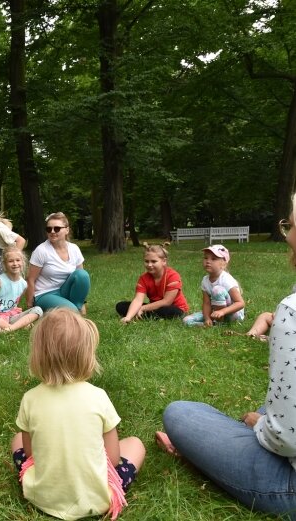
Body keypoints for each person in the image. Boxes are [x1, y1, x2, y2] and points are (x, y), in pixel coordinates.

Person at [156, 207, 296, 518]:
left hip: (289, 478)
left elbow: (285, 439)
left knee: (180, 413)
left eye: (290, 227)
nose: (286, 236)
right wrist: (208, 318)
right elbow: (205, 303)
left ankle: (207, 453)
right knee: (264, 409)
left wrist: (258, 424)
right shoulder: (206, 282)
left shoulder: (292, 310)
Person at [11, 308, 145, 520]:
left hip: (41, 496)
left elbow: (30, 454)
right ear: (87, 353)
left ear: (38, 354)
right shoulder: (98, 396)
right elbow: (113, 458)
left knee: (17, 438)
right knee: (135, 444)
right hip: (99, 499)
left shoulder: (30, 398)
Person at [25, 212, 90, 314]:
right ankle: (73, 311)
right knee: (71, 312)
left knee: (82, 275)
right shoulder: (41, 250)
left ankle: (77, 306)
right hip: (45, 294)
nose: (52, 231)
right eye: (49, 229)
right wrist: (29, 306)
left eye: (57, 228)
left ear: (67, 230)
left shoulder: (74, 248)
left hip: (64, 291)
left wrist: (82, 302)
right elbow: (30, 279)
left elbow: (80, 281)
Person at [116, 242, 189, 323]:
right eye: (146, 261)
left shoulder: (173, 276)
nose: (149, 265)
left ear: (164, 261)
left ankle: (143, 314)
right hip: (154, 307)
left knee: (170, 311)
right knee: (121, 306)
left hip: (173, 307)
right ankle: (142, 315)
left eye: (153, 261)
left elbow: (167, 302)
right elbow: (138, 300)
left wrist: (143, 308)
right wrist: (128, 317)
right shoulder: (143, 278)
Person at [0, 247, 43, 334]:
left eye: (18, 260)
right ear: (5, 264)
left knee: (38, 310)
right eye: (11, 261)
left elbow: (15, 302)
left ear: (22, 262)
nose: (15, 263)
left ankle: (7, 329)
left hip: (11, 316)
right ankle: (19, 326)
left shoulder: (24, 284)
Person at [182, 244, 245, 327]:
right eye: (205, 258)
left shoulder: (226, 279)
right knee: (186, 320)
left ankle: (219, 323)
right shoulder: (205, 280)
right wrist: (207, 318)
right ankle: (209, 325)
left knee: (217, 290)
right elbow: (206, 303)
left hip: (232, 314)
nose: (208, 261)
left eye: (213, 259)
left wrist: (222, 312)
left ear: (223, 264)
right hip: (215, 312)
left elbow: (240, 303)